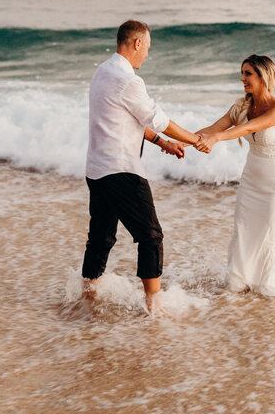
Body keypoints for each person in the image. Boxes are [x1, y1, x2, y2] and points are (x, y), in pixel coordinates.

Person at [82, 20, 204, 313]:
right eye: (146, 48)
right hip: (121, 169)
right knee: (151, 236)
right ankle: (154, 307)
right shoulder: (128, 80)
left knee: (101, 236)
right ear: (137, 43)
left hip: (97, 169)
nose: (147, 54)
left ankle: (87, 295)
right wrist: (196, 138)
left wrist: (163, 143)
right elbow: (156, 119)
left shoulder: (102, 72)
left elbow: (126, 120)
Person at [194, 54, 275, 291]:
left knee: (269, 230)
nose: (242, 78)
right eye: (242, 72)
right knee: (243, 228)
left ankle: (265, 287)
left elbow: (246, 128)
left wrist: (216, 139)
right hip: (251, 179)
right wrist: (177, 141)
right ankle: (237, 283)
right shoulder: (241, 106)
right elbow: (213, 128)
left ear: (263, 76)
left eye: (248, 73)